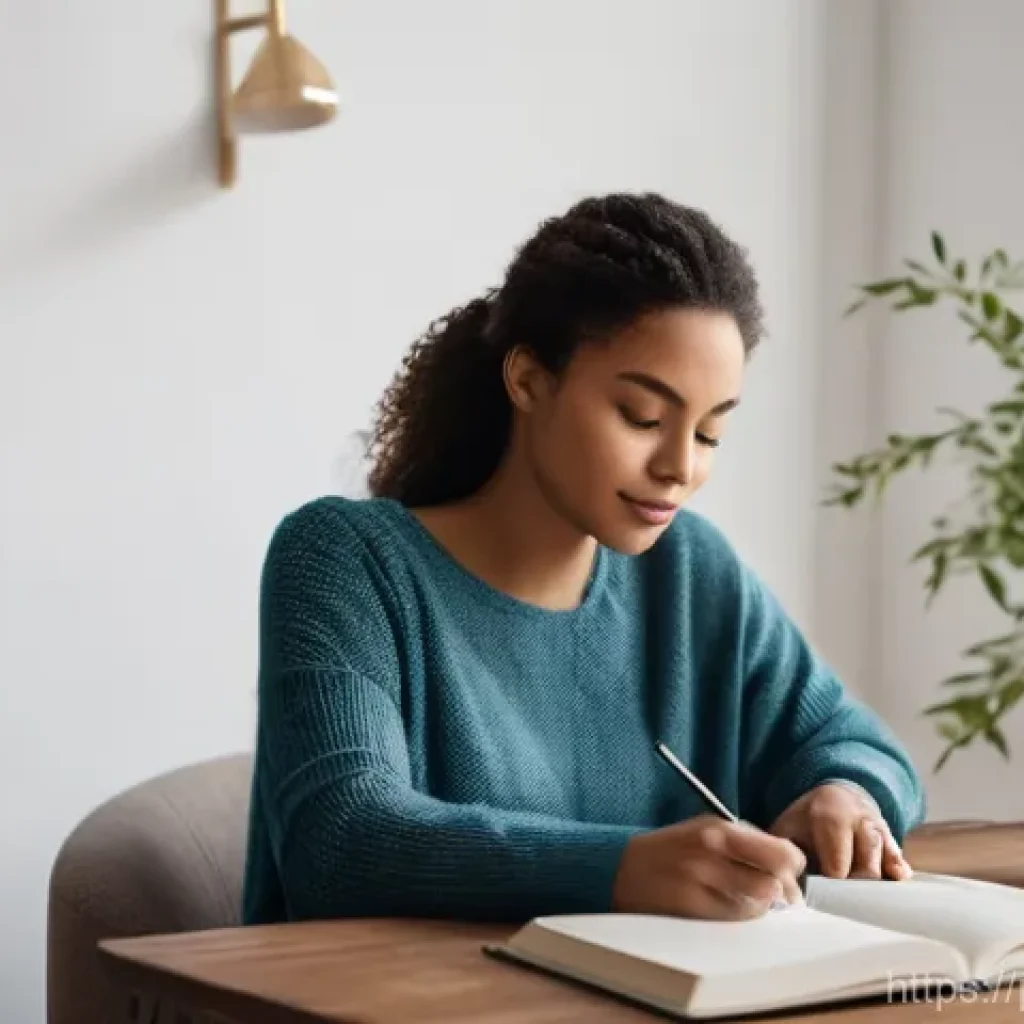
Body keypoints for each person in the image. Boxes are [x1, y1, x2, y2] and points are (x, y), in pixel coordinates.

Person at [241, 192, 926, 927]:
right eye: (643, 417)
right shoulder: (346, 561)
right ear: (529, 380)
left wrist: (844, 794)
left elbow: (859, 746)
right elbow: (341, 841)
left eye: (709, 434)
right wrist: (622, 869)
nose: (680, 467)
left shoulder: (691, 572)